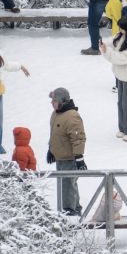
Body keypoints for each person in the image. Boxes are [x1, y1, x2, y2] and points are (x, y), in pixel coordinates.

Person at [100, 15, 127, 141]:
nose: (119, 30)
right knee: (121, 102)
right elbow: (112, 41)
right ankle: (124, 127)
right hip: (120, 73)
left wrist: (107, 51)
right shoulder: (122, 35)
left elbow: (122, 58)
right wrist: (104, 44)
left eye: (122, 28)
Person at [48, 88, 86, 216]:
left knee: (68, 185)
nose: (52, 103)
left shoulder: (72, 116)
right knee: (67, 184)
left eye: (54, 100)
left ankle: (70, 211)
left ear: (63, 101)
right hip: (60, 157)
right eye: (52, 100)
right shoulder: (56, 114)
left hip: (70, 158)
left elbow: (78, 138)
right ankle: (74, 207)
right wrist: (51, 150)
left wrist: (79, 158)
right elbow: (55, 134)